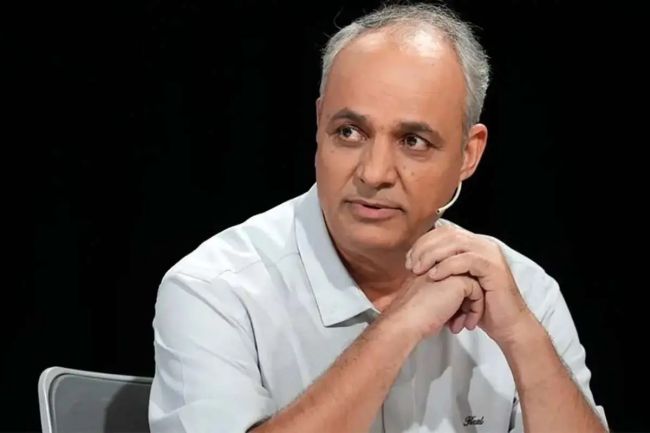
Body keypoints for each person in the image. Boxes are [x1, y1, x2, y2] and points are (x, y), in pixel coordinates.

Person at [148, 3, 608, 432]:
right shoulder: (215, 289)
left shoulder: (524, 292)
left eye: (413, 141)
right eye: (349, 132)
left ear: (469, 154)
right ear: (319, 124)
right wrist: (400, 325)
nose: (374, 173)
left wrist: (521, 335)